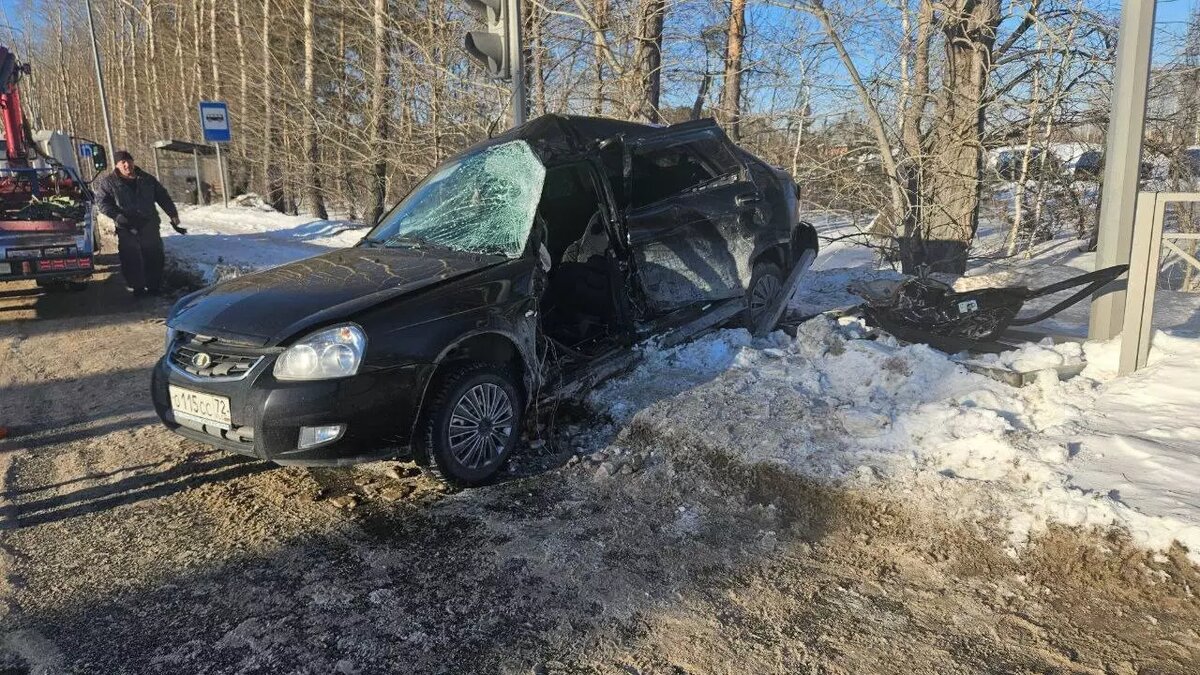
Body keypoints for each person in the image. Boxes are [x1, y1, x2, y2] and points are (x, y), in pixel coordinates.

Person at [94, 150, 186, 296]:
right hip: (126, 225)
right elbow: (102, 202)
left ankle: (154, 286)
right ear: (117, 165)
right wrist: (117, 217)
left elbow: (162, 196)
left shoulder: (147, 179)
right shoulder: (109, 182)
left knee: (154, 255)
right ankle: (137, 288)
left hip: (148, 223)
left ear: (133, 162)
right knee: (131, 258)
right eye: (122, 162)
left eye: (129, 161)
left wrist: (173, 214)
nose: (126, 165)